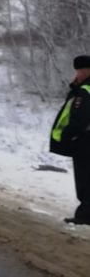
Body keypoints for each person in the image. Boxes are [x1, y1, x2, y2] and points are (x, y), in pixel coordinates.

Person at [50, 55, 90, 225]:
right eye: (77, 70)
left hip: (85, 141)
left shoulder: (86, 91)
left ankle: (85, 216)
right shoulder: (82, 89)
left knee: (85, 179)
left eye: (81, 70)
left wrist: (68, 136)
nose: (78, 74)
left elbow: (79, 118)